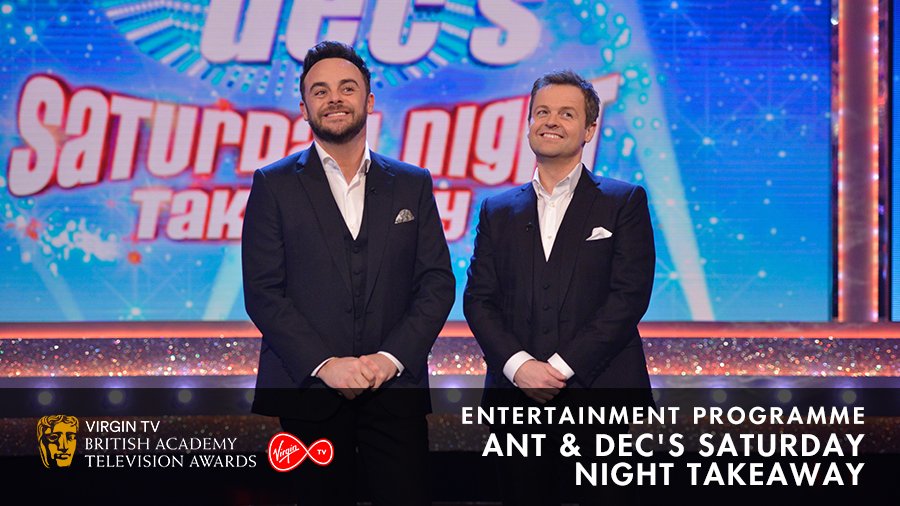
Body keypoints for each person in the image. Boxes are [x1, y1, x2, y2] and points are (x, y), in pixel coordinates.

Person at [242, 41, 455, 506]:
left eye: (347, 88)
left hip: (394, 391)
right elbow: (263, 291)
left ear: (369, 101)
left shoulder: (412, 183)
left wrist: (389, 359)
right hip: (309, 396)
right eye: (320, 91)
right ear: (304, 109)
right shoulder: (273, 184)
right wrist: (327, 365)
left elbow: (437, 283)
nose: (334, 98)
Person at [463, 70, 655, 505]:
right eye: (542, 112)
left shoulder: (623, 201)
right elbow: (479, 300)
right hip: (515, 402)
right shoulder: (497, 209)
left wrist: (560, 368)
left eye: (567, 114)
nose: (551, 121)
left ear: (589, 129)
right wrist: (519, 367)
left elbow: (628, 298)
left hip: (600, 397)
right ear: (529, 123)